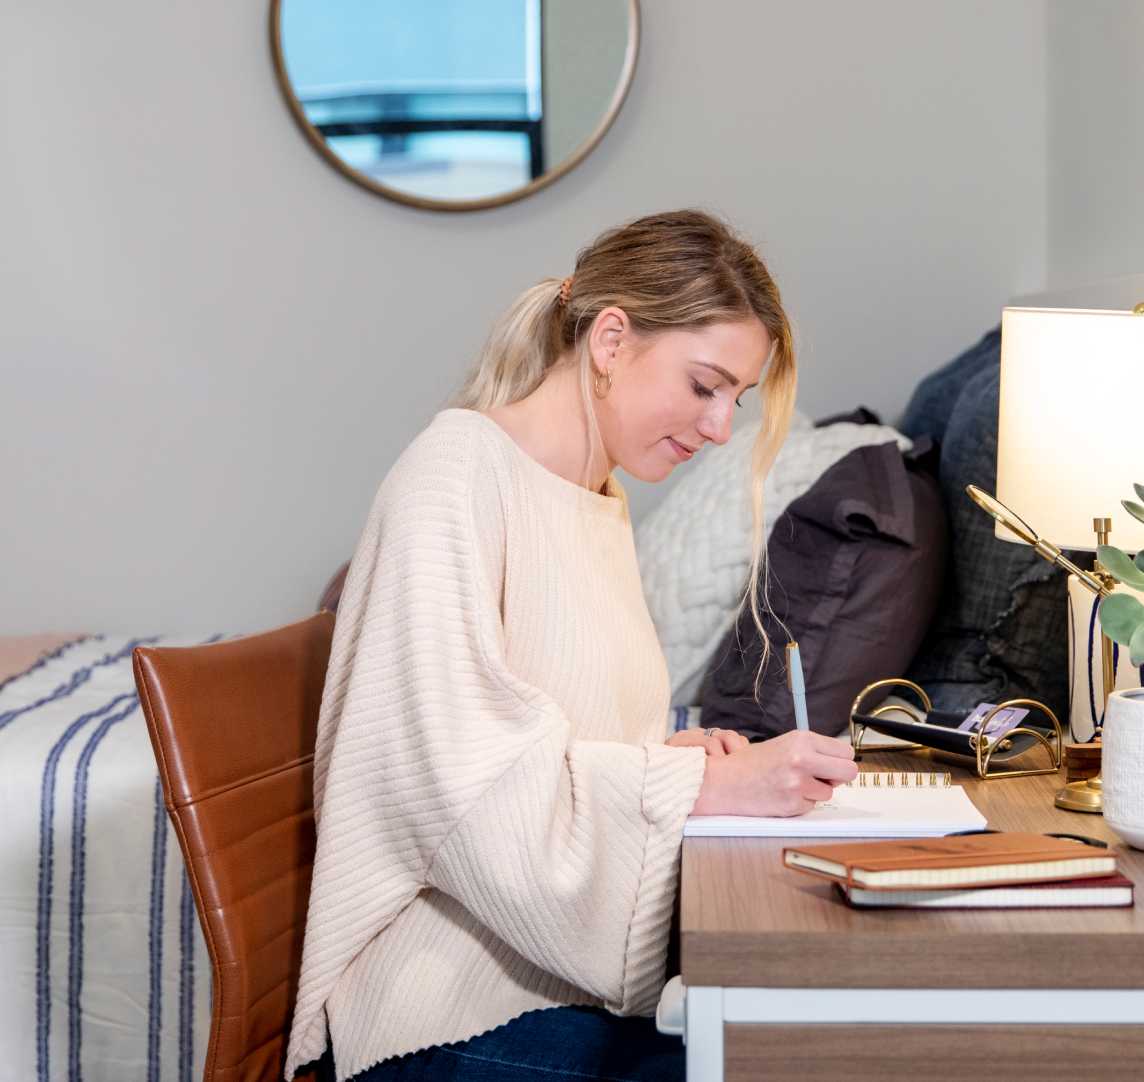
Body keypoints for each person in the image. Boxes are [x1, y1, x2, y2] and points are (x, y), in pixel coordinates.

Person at [284, 209, 858, 1082]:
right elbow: (460, 790)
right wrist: (693, 786)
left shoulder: (597, 498)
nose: (717, 428)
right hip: (437, 1009)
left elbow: (548, 732)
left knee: (804, 1046)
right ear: (613, 340)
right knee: (786, 1062)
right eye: (705, 385)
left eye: (735, 401)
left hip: (537, 983)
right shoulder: (456, 476)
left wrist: (668, 763)